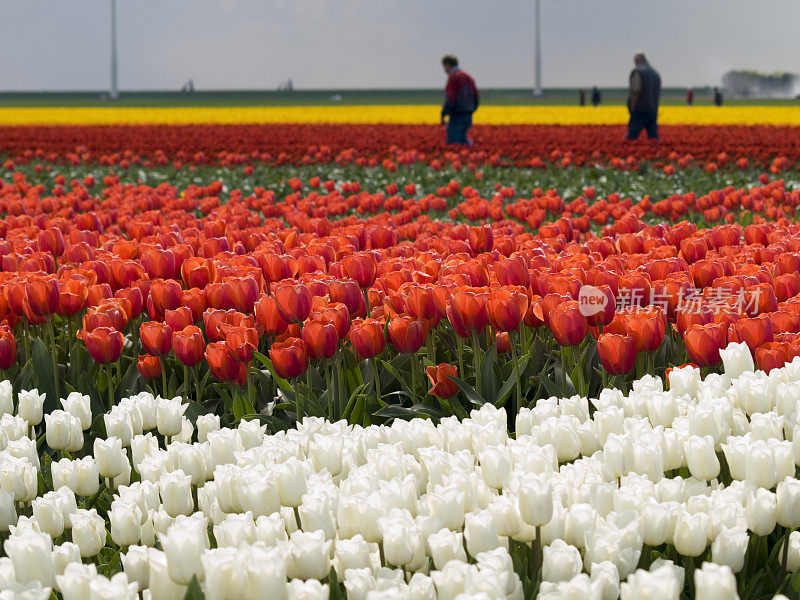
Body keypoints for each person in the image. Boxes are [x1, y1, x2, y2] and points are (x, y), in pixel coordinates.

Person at [440, 55, 479, 145]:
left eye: (444, 67)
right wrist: (471, 110)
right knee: (463, 141)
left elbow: (450, 98)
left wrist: (444, 113)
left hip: (456, 115)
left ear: (448, 65)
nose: (444, 70)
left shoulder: (454, 77)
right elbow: (476, 96)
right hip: (468, 115)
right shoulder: (468, 77)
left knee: (454, 144)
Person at [625, 51, 661, 141]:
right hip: (653, 110)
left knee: (631, 137)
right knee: (653, 138)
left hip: (640, 109)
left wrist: (632, 105)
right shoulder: (655, 73)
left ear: (638, 60)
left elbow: (635, 91)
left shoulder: (638, 72)